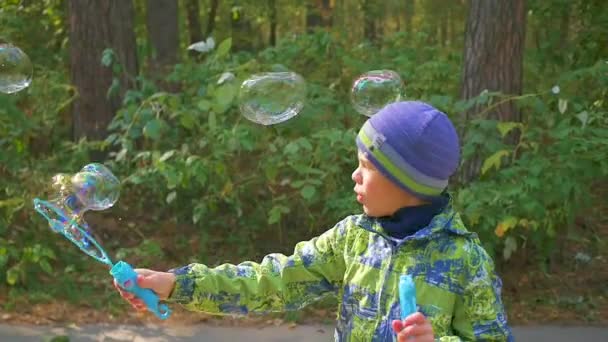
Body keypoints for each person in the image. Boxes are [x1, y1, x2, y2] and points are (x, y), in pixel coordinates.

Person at [115, 101, 513, 341]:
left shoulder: (465, 259)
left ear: (405, 180)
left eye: (366, 167)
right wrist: (175, 284)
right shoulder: (353, 239)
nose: (354, 176)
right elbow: (269, 282)